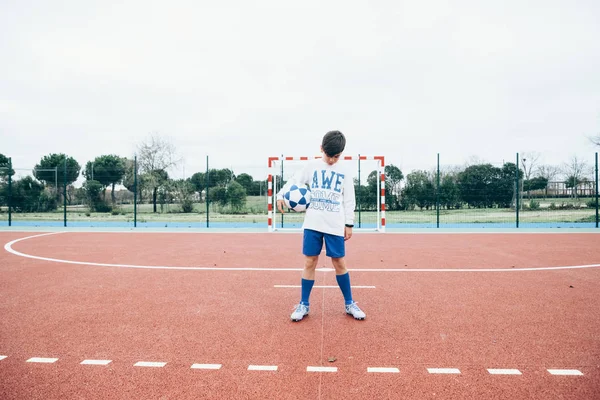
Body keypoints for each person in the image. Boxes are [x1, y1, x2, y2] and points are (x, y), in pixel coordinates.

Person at [276, 130, 366, 322]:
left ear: (341, 154)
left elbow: (350, 199)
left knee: (339, 263)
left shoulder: (345, 170)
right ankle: (304, 304)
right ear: (321, 149)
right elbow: (294, 181)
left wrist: (349, 224)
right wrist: (280, 195)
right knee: (310, 262)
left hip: (335, 224)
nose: (332, 160)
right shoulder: (311, 166)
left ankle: (350, 303)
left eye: (336, 156)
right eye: (328, 155)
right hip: (313, 223)